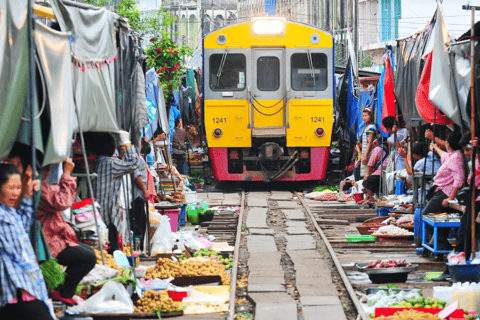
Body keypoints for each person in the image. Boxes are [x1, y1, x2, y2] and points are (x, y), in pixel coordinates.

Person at [38, 158, 96, 304]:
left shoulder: (41, 186)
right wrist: (67, 174)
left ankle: (62, 289)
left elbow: (55, 194)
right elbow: (61, 202)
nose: (48, 172)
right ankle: (62, 292)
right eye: (45, 169)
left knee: (88, 252)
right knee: (87, 258)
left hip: (54, 236)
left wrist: (66, 180)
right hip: (46, 241)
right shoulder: (36, 187)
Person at [0, 164, 54, 319]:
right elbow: (16, 250)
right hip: (15, 287)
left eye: (18, 187)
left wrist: (28, 196)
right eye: (11, 188)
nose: (16, 193)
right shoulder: (2, 216)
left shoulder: (8, 211)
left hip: (20, 288)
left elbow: (22, 226)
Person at [91, 131, 140, 253]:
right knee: (112, 249)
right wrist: (126, 143)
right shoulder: (110, 164)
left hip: (94, 215)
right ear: (113, 149)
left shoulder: (95, 163)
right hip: (108, 216)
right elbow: (133, 163)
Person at [130, 144, 150, 251]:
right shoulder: (132, 154)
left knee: (140, 223)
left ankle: (139, 249)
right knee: (138, 224)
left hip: (138, 195)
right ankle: (138, 250)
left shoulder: (136, 154)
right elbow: (135, 175)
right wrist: (144, 190)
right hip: (135, 195)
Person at [363, 134, 389, 204]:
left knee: (366, 181)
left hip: (379, 174)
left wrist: (368, 174)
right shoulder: (388, 149)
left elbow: (370, 164)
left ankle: (371, 199)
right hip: (386, 173)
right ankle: (367, 198)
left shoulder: (377, 149)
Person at [360, 107, 376, 178]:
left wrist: (366, 155)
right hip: (365, 152)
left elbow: (370, 142)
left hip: (368, 153)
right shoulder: (366, 127)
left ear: (370, 116)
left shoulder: (371, 127)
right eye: (363, 116)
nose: (364, 118)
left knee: (367, 173)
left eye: (366, 116)